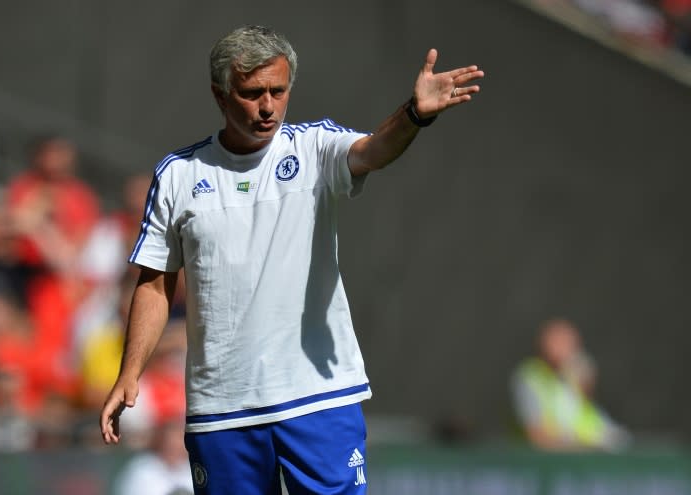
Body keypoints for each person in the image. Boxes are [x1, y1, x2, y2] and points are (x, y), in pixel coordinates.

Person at [101, 25, 483, 494]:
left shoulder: (314, 147)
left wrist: (414, 116)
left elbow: (374, 150)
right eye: (252, 93)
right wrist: (128, 373)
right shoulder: (179, 175)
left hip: (318, 396)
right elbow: (155, 283)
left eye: (278, 91)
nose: (267, 106)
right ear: (221, 96)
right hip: (222, 406)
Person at [511, 318, 630, 451]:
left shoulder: (574, 370)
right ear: (543, 345)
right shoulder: (530, 377)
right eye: (558, 343)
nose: (565, 349)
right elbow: (536, 433)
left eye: (570, 343)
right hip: (560, 453)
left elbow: (587, 398)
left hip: (597, 443)